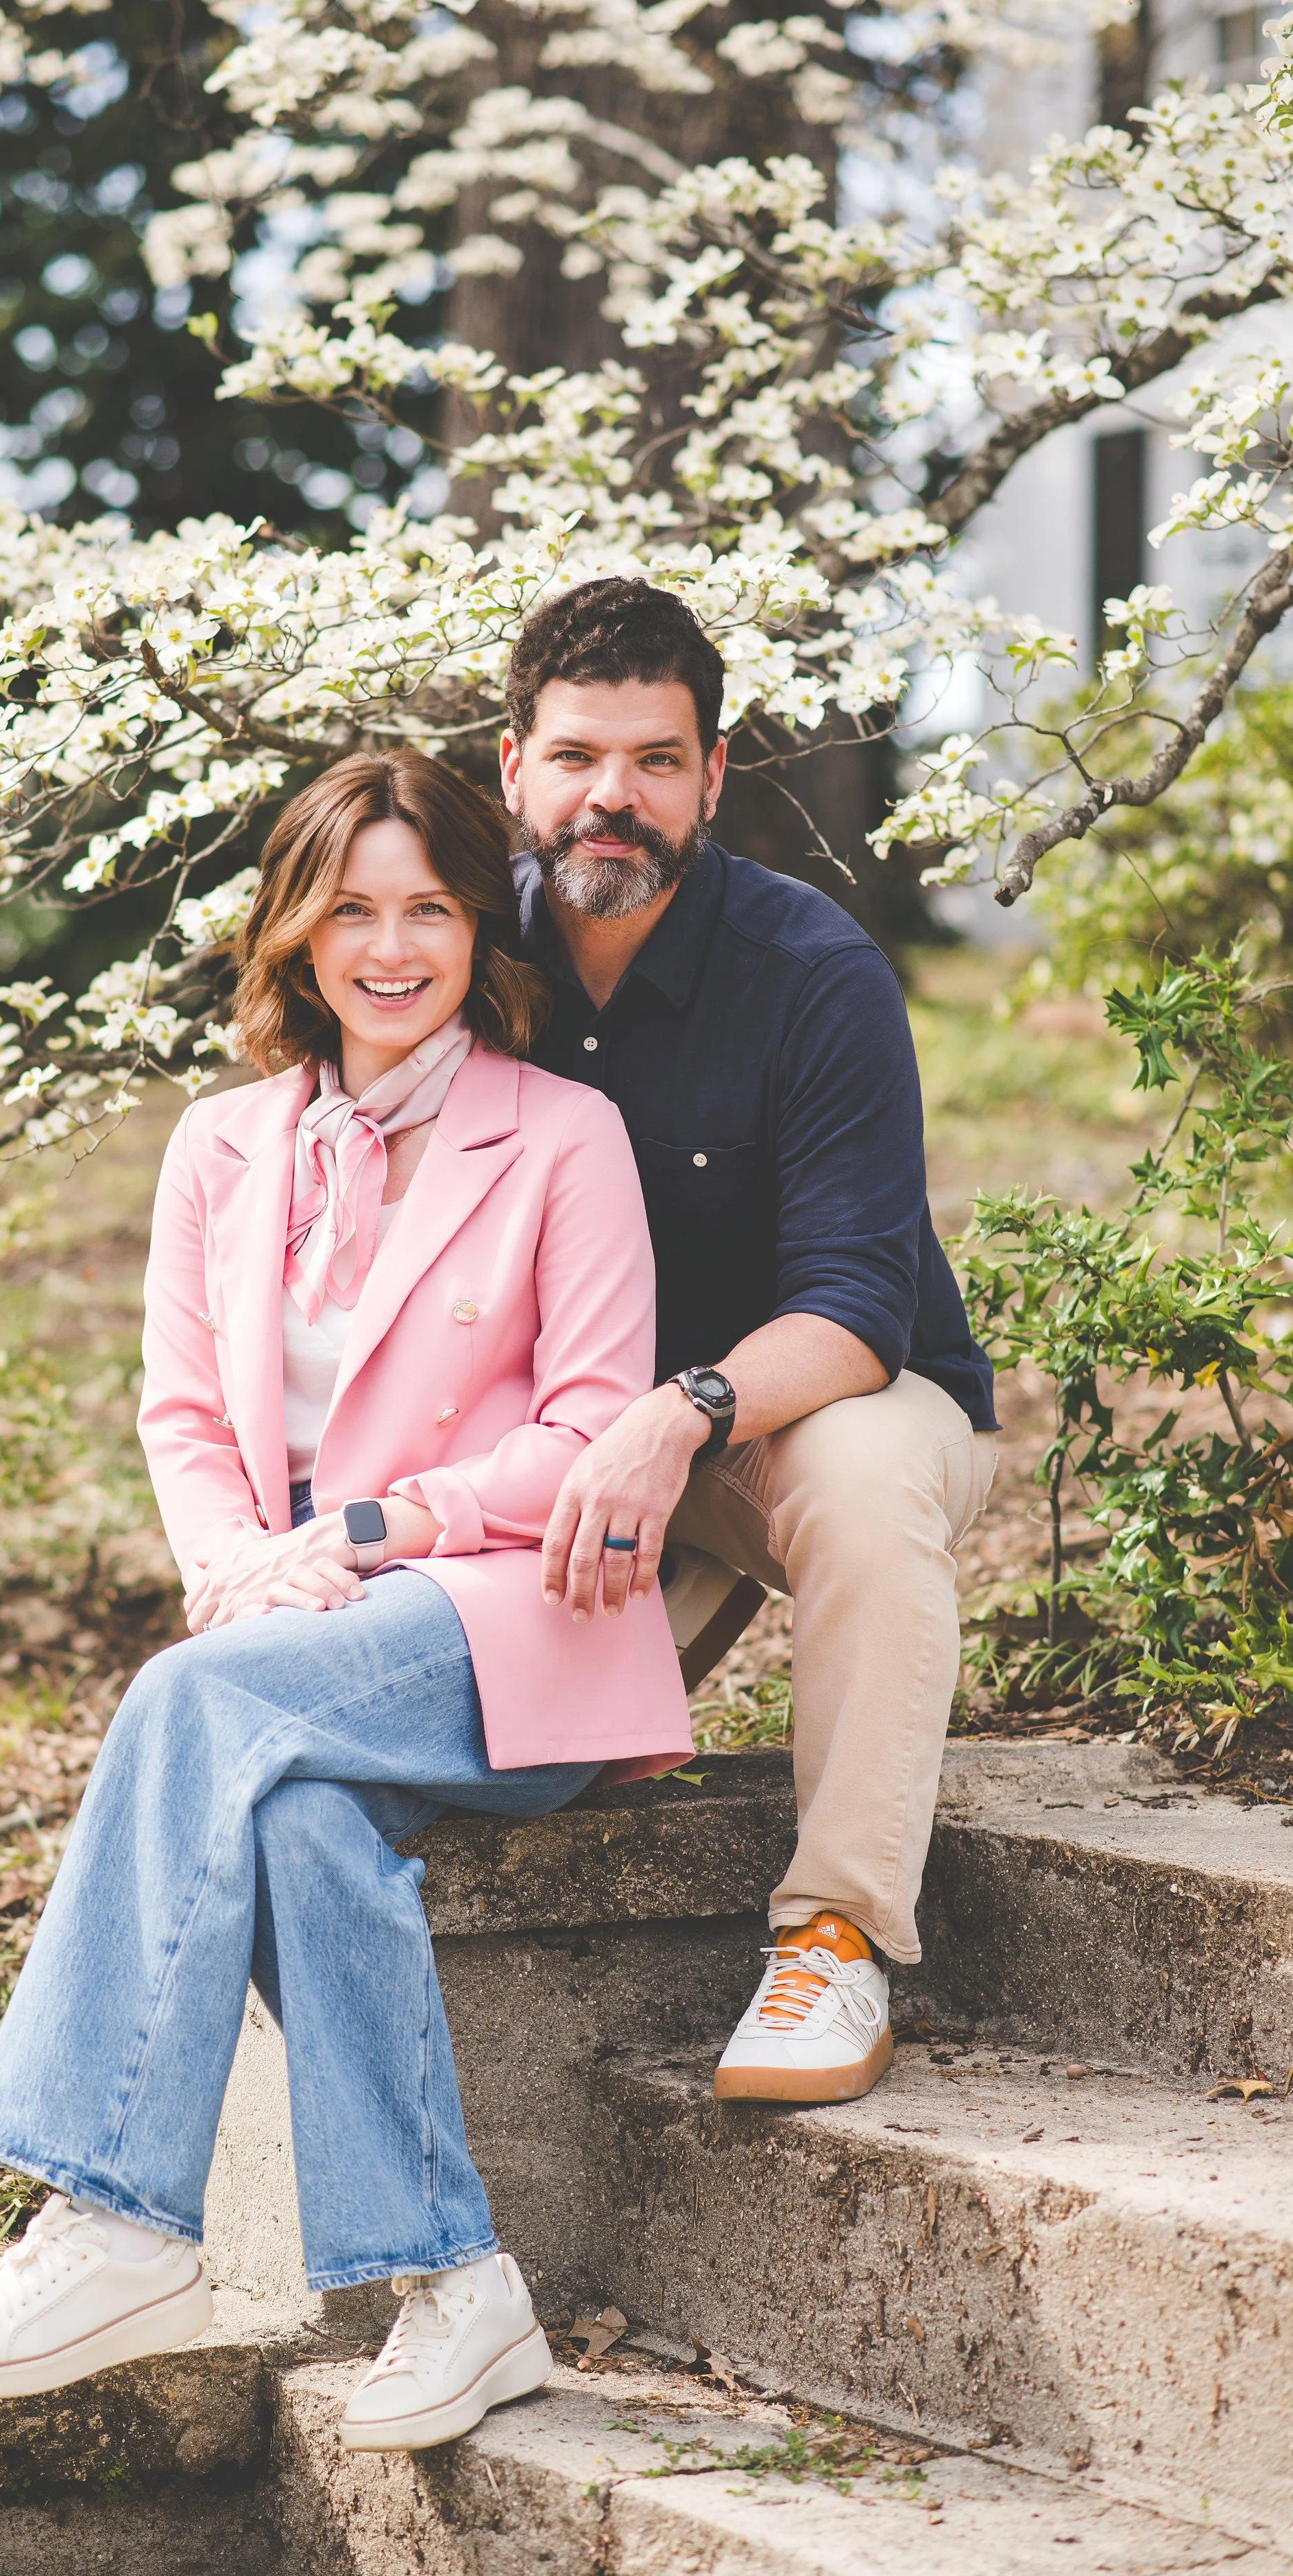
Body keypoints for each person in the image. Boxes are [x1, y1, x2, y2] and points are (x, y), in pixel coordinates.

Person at [0, 748, 690, 2448]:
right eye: (350, 912)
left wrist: (377, 1532)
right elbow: (183, 1417)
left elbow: (588, 1433)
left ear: (479, 929)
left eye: (428, 911)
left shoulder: (565, 1138)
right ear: (295, 935)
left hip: (507, 1618)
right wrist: (241, 1572)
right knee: (297, 1826)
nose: (390, 949)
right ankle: (460, 2288)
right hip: (295, 1637)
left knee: (195, 1704)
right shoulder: (222, 1146)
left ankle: (112, 2206)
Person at [505, 577, 998, 2106]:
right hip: (567, 1454)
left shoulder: (813, 974)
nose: (614, 797)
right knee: (509, 1779)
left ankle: (835, 1936)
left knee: (852, 1470)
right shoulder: (456, 965)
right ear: (509, 764)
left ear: (712, 777)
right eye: (580, 756)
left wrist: (674, 1416)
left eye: (656, 760)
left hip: (816, 1412)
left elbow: (858, 1308)